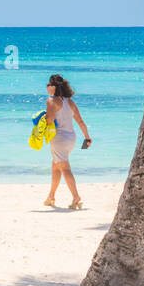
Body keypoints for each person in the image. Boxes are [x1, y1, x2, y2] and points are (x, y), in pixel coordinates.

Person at [43, 74, 91, 209]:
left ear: (52, 87)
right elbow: (80, 121)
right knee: (56, 166)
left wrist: (42, 119)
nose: (47, 88)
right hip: (71, 139)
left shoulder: (51, 101)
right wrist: (87, 138)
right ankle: (51, 196)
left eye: (48, 85)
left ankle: (76, 197)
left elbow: (50, 120)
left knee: (64, 168)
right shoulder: (70, 102)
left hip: (58, 139)